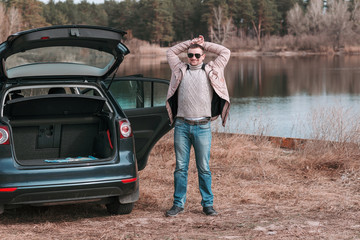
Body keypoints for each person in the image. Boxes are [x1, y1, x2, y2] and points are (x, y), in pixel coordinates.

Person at [165, 35, 231, 217]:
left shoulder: (213, 68)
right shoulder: (179, 69)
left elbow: (225, 51)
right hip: (181, 127)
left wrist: (203, 45)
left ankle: (208, 205)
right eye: (190, 55)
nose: (193, 58)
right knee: (180, 168)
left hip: (203, 127)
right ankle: (178, 204)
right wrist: (190, 43)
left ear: (203, 56)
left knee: (204, 168)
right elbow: (170, 52)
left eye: (196, 55)